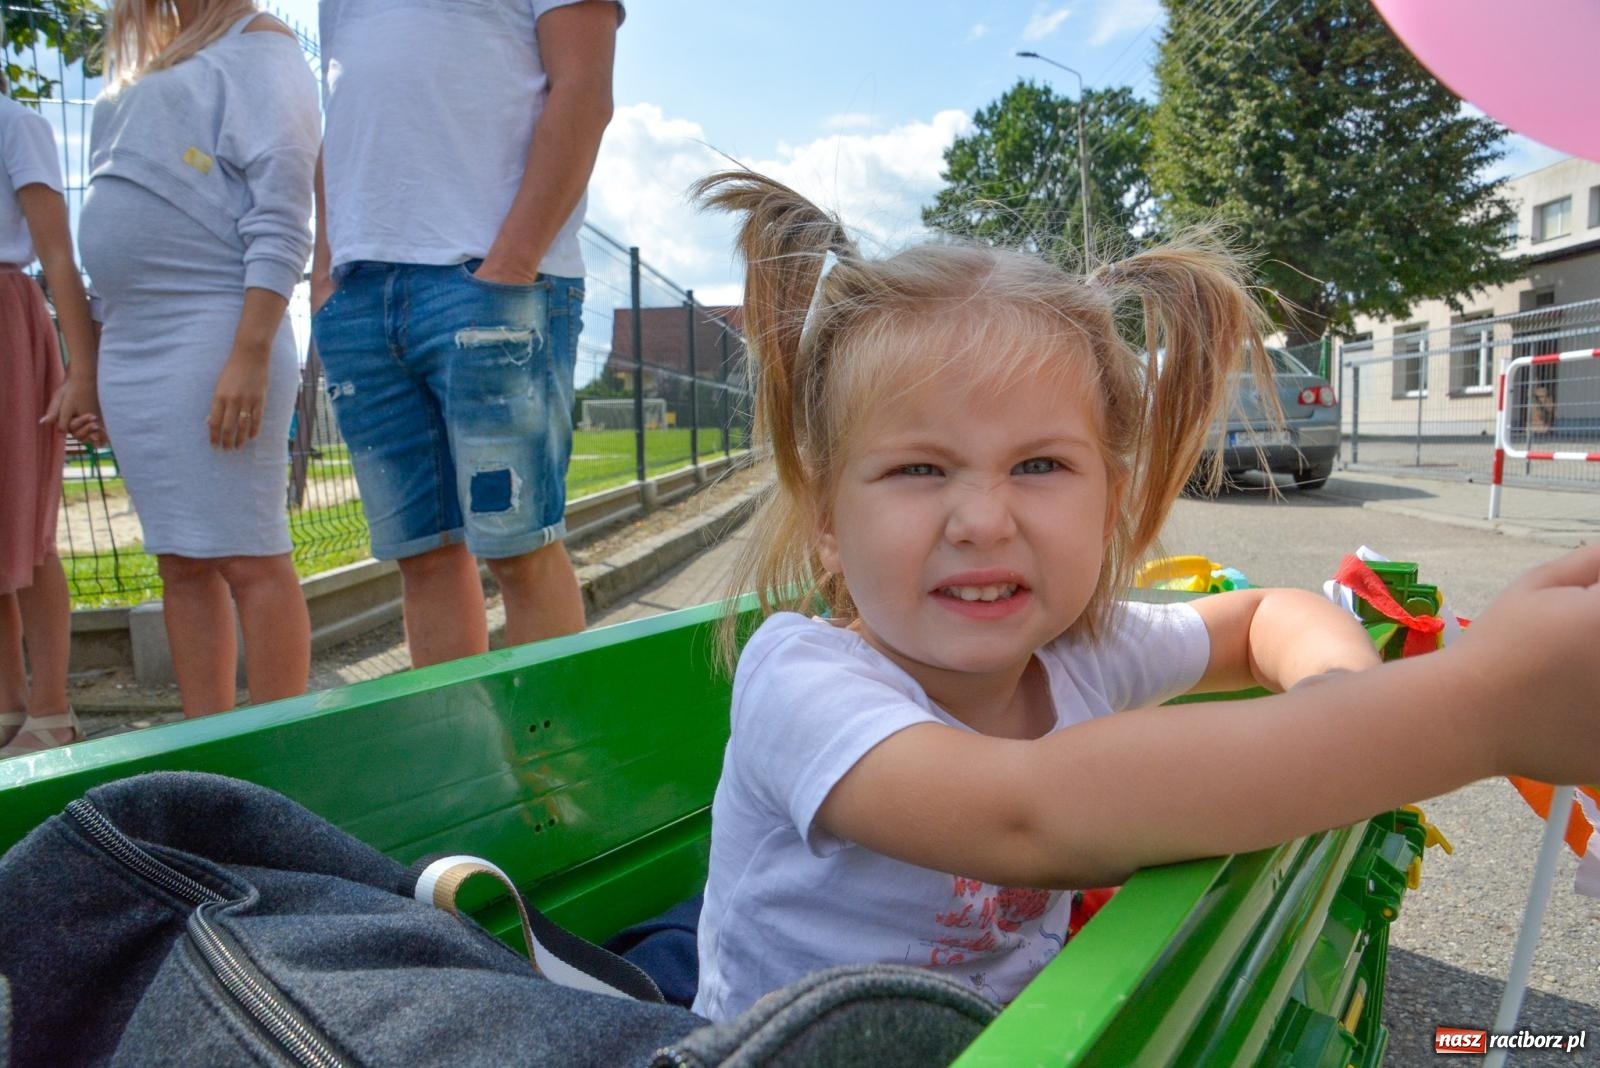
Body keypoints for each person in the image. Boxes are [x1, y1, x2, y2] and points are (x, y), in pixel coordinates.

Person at [688, 170, 1600, 1021]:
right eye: (918, 469)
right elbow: (1026, 816)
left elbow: (1264, 617)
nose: (983, 520)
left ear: (1110, 504)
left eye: (1040, 465)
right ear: (827, 520)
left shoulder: (1084, 652)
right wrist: (1483, 710)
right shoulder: (800, 683)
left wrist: (1346, 694)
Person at [311, 0, 622, 668]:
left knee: (521, 548)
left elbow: (585, 89)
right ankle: (462, 736)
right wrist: (323, 276)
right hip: (361, 291)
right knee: (422, 556)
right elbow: (341, 118)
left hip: (490, 283)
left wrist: (511, 263)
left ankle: (548, 739)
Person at [69, 0, 318, 718]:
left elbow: (283, 210)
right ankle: (206, 750)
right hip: (130, 340)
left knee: (249, 555)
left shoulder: (260, 44)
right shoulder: (141, 66)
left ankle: (278, 750)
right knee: (179, 561)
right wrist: (88, 366)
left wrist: (250, 352)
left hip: (216, 326)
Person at [0, 68, 99, 756]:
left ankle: (52, 710)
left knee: (26, 527)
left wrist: (80, 367)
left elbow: (57, 254)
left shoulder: (17, 124)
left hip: (7, 322)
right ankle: (8, 706)